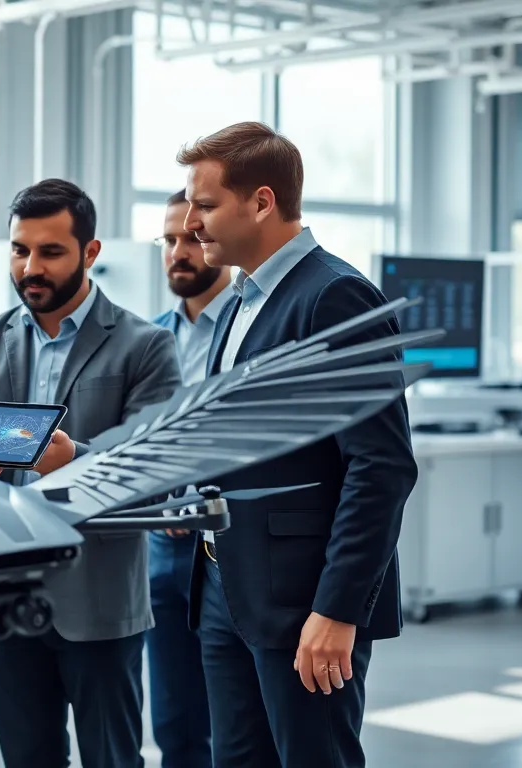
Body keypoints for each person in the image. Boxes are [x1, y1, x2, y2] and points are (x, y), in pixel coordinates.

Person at [177, 121, 417, 767]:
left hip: (302, 602)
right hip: (227, 586)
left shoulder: (334, 296)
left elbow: (382, 466)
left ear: (261, 201)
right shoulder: (239, 301)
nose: (192, 223)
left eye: (205, 204)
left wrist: (338, 610)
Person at [0, 178, 181, 768]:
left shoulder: (146, 346)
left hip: (97, 596)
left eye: (50, 251)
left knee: (112, 759)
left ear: (90, 253)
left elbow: (155, 469)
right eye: (19, 250)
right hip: (2, 595)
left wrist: (74, 461)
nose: (30, 267)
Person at [144, 188, 230, 768]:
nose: (180, 251)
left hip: (227, 549)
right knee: (174, 724)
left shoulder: (254, 331)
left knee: (239, 722)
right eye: (170, 239)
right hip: (159, 549)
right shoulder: (146, 341)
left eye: (194, 238)